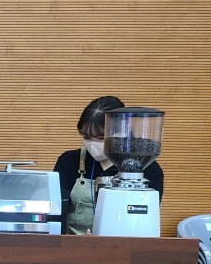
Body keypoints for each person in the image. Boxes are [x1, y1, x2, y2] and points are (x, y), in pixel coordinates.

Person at [53, 96, 164, 235]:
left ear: (123, 131)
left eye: (101, 138)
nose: (92, 144)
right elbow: (56, 213)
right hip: (74, 245)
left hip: (125, 245)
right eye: (86, 137)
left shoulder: (148, 170)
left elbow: (144, 222)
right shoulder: (69, 161)